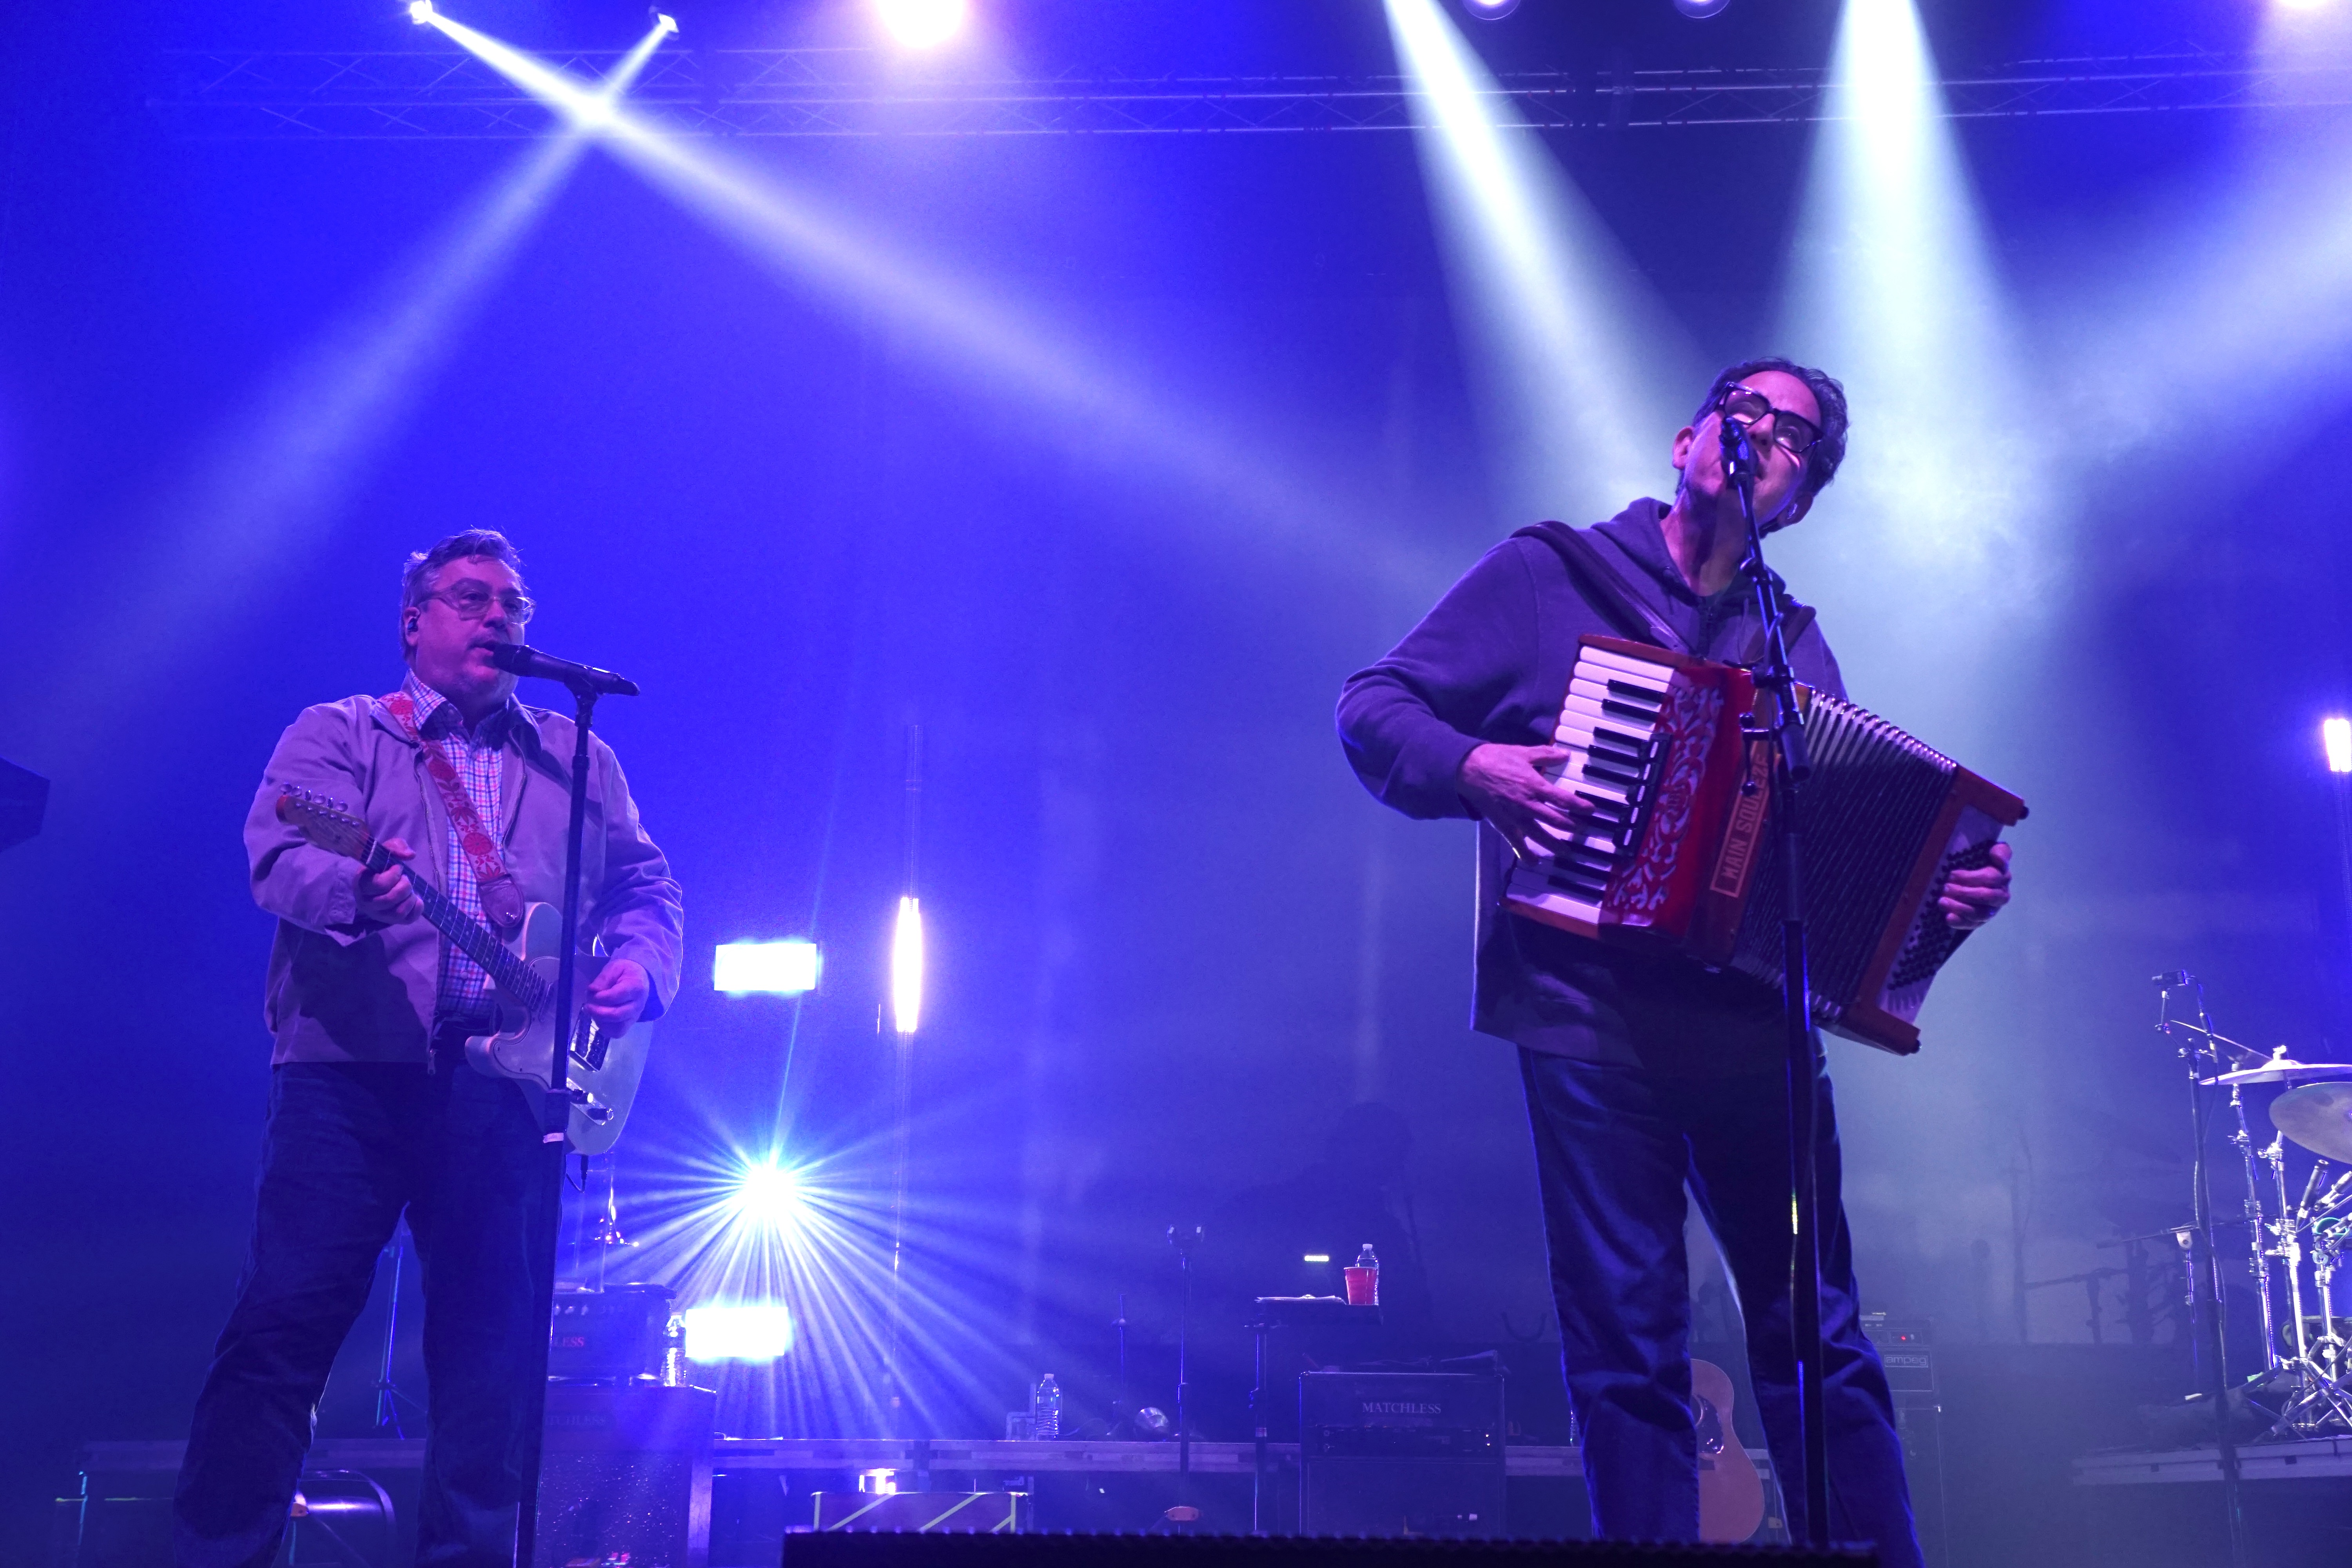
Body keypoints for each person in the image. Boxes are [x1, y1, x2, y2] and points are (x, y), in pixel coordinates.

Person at [1334, 360, 2011, 1559]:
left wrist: (1945, 905)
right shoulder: (1552, 576)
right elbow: (1375, 704)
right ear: (1686, 438)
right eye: (1742, 413)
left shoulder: (1792, 648)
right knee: (1627, 1345)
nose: (1759, 435)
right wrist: (1475, 770)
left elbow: (1853, 886)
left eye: (1792, 437)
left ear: (1799, 499)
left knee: (1818, 1332)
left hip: (1753, 1032)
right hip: (1588, 1019)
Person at [173, 530, 685, 1568]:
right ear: (416, 623)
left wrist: (640, 965)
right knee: (281, 1335)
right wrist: (352, 889)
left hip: (509, 1092)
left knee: (491, 1366)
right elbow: (277, 853)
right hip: (349, 1080)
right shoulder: (343, 735)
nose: (497, 616)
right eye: (469, 599)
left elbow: (646, 886)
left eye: (512, 603)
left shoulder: (575, 753)